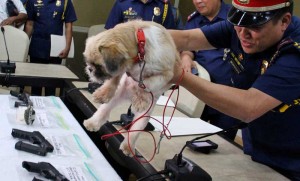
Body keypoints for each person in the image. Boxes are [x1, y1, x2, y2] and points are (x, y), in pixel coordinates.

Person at [169, 0, 300, 180]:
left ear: (284, 21)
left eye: (254, 27)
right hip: (257, 143)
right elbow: (188, 38)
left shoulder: (295, 51)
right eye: (238, 24)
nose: (242, 34)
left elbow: (249, 106)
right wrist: (137, 35)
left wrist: (180, 77)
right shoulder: (241, 27)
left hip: (292, 160)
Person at [181, 0, 240, 140]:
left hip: (228, 96)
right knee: (190, 138)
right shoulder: (194, 20)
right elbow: (188, 47)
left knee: (222, 144)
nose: (198, 1)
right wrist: (186, 56)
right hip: (199, 93)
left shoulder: (235, 17)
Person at [24, 0, 77, 96]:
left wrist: (67, 47)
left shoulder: (65, 2)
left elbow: (68, 26)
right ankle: (35, 109)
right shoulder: (32, 1)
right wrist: (24, 46)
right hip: (37, 47)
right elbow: (29, 24)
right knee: (36, 85)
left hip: (55, 50)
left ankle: (50, 109)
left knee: (51, 86)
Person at [105, 0, 176, 30]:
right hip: (128, 54)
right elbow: (109, 33)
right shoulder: (122, 3)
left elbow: (170, 34)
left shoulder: (163, 5)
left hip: (155, 53)